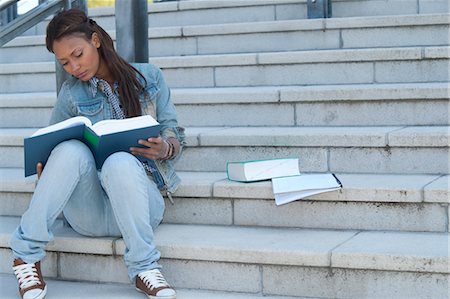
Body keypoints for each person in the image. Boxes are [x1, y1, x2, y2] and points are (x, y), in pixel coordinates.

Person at [9, 8, 184, 299]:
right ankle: (25, 256)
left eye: (78, 54)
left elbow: (174, 131)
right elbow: (50, 142)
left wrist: (166, 147)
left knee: (119, 160)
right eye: (64, 62)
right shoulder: (71, 94)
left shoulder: (150, 77)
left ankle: (144, 267)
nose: (73, 67)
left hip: (141, 203)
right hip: (89, 212)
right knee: (69, 149)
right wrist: (50, 167)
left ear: (96, 40)